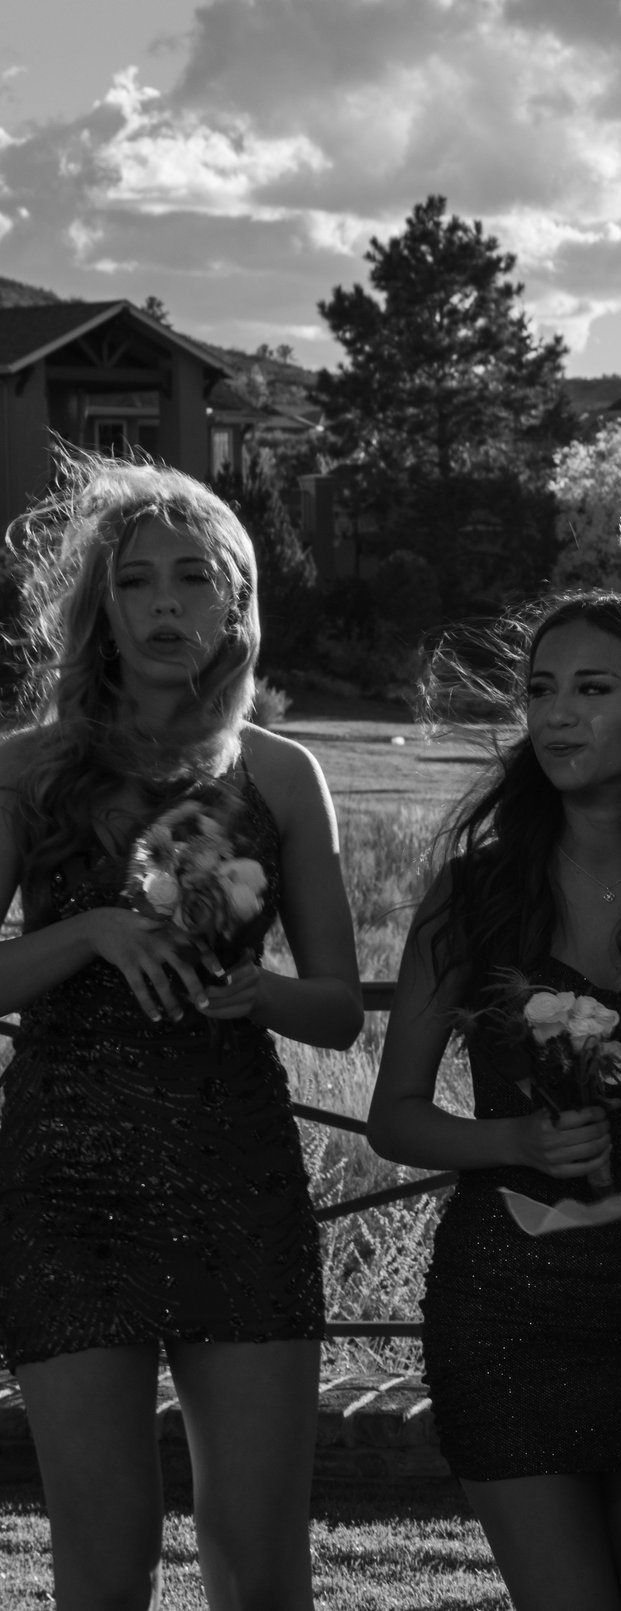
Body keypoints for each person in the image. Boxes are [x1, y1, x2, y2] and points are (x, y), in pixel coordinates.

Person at [0, 461, 363, 1611]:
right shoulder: (27, 768)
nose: (165, 603)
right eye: (137, 579)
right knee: (105, 1562)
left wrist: (257, 994)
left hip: (237, 1174)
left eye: (193, 578)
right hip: (68, 1187)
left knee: (260, 1561)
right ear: (100, 608)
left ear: (237, 605)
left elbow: (342, 1005)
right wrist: (95, 928)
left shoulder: (282, 774)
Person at [367, 591, 621, 1611]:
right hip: (507, 1312)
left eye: (591, 688)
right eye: (540, 689)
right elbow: (395, 1115)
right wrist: (513, 1134)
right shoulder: (474, 893)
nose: (558, 713)